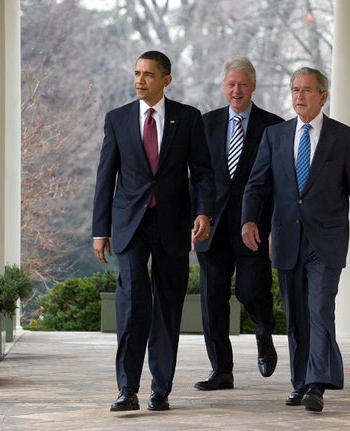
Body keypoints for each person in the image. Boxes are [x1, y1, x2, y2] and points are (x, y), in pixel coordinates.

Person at [241, 67, 350, 413]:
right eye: (294, 90)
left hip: (326, 241)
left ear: (323, 96)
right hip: (287, 238)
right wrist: (248, 220)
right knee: (296, 316)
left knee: (319, 309)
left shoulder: (344, 138)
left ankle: (317, 384)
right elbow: (257, 185)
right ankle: (300, 381)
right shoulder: (275, 136)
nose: (299, 96)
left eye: (306, 90)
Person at [91, 50, 215, 412]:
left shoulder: (188, 119)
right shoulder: (117, 119)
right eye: (136, 73)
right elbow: (105, 177)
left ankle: (160, 389)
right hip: (130, 225)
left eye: (147, 74)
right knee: (133, 303)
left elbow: (203, 174)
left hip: (174, 225)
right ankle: (127, 389)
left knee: (169, 306)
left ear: (166, 80)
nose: (140, 80)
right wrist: (101, 230)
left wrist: (204, 214)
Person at [192, 56, 284, 391]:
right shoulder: (206, 124)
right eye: (231, 84)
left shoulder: (273, 127)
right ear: (223, 86)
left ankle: (263, 330)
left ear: (253, 86)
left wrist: (273, 226)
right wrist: (194, 218)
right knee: (213, 300)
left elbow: (280, 184)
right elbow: (198, 177)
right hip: (212, 229)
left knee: (250, 291)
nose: (236, 90)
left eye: (242, 84)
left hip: (252, 228)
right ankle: (221, 370)